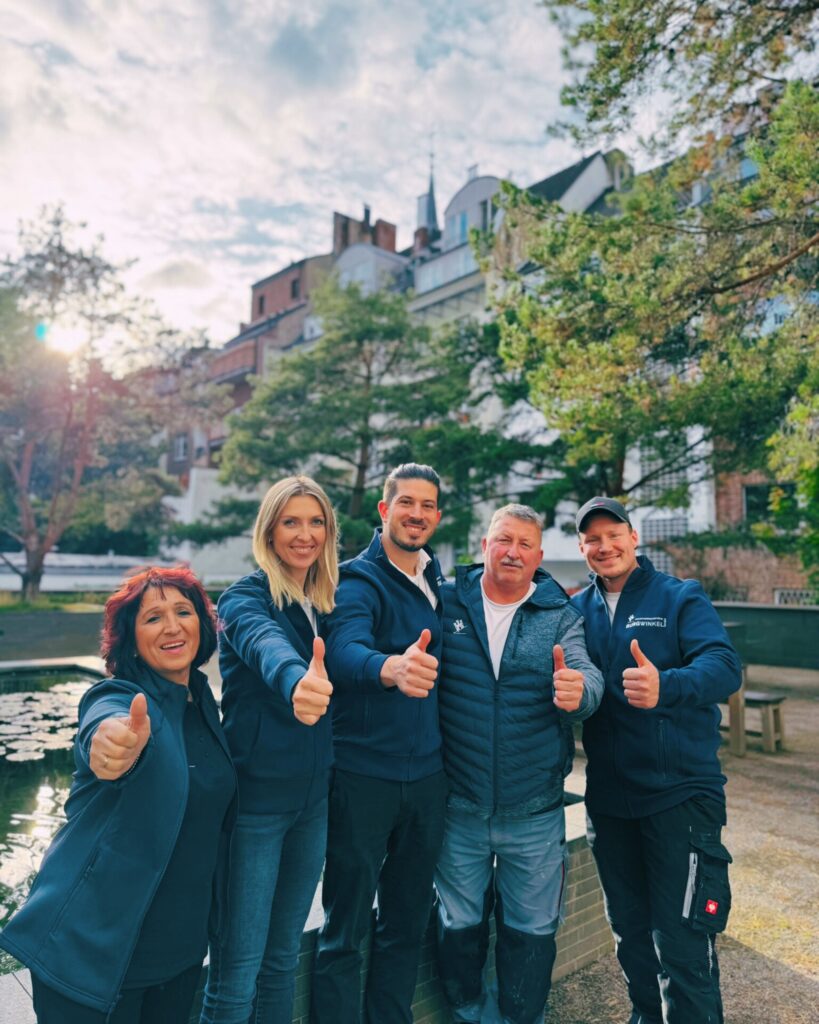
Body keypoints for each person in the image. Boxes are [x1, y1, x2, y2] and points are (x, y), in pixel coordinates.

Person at [0, 565, 236, 1024]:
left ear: (201, 625)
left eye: (183, 612)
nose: (172, 626)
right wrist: (111, 743)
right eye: (153, 618)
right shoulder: (119, 698)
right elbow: (104, 723)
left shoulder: (201, 703)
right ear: (130, 639)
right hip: (94, 960)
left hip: (179, 956)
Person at [572, 496, 742, 1024]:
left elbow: (724, 666)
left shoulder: (679, 596)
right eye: (593, 539)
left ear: (633, 537)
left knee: (683, 944)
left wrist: (665, 685)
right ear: (581, 547)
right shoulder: (575, 610)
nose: (605, 546)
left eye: (613, 534)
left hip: (679, 798)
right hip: (609, 803)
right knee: (630, 938)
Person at [435, 504, 604, 1024]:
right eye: (503, 540)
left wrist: (579, 692)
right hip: (459, 809)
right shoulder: (445, 602)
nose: (513, 552)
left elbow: (587, 675)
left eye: (525, 544)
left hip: (533, 812)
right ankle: (469, 1012)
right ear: (485, 545)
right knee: (457, 925)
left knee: (532, 930)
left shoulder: (560, 615)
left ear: (538, 555)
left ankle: (520, 1017)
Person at [311, 463, 448, 1024]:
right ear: (384, 509)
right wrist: (390, 667)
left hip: (428, 781)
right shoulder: (355, 581)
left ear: (437, 516)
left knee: (406, 922)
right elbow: (344, 650)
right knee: (343, 929)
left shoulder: (437, 581)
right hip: (362, 778)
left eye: (427, 505)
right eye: (406, 503)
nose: (417, 514)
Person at [200, 475, 339, 1024]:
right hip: (255, 809)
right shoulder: (244, 598)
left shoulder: (324, 602)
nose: (304, 535)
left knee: (282, 961)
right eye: (291, 522)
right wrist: (296, 679)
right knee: (236, 972)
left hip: (312, 805)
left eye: (315, 522)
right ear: (269, 531)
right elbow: (265, 643)